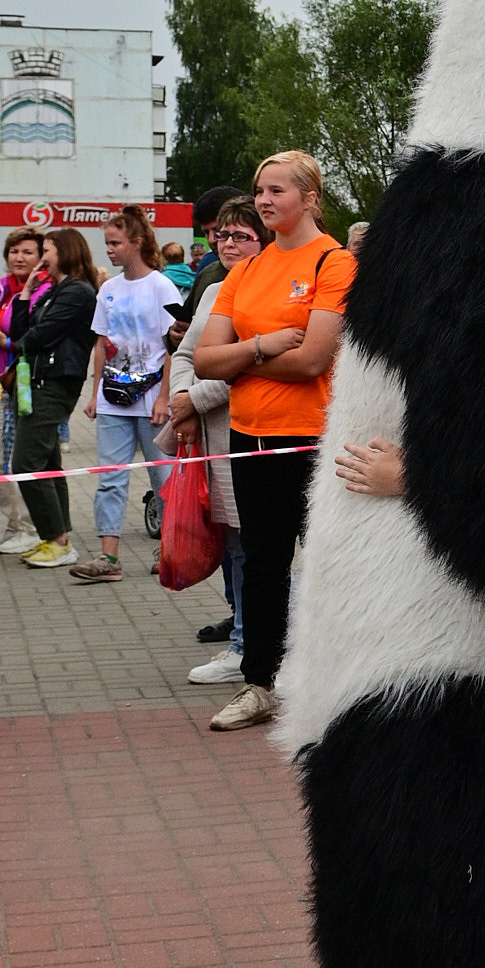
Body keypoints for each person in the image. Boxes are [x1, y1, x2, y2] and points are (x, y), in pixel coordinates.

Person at [192, 151, 356, 729]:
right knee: (263, 563)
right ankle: (259, 683)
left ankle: (343, 678)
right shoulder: (244, 271)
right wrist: (261, 349)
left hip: (312, 440)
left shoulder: (333, 263)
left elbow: (313, 359)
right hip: (249, 436)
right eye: (260, 191)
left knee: (327, 561)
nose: (264, 201)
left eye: (277, 190)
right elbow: (204, 361)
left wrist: (237, 359)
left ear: (310, 198)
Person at [166, 197, 265, 687]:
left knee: (255, 547)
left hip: (248, 430)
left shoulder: (267, 291)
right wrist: (182, 395)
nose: (227, 244)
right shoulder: (214, 291)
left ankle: (253, 648)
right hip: (211, 434)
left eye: (240, 235)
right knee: (232, 544)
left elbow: (246, 367)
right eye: (221, 236)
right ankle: (246, 642)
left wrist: (192, 401)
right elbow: (187, 351)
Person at [70, 207, 183, 583]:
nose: (110, 250)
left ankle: (168, 549)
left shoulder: (160, 287)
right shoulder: (109, 289)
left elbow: (172, 346)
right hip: (114, 397)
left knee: (162, 476)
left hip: (152, 397)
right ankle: (108, 556)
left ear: (137, 241)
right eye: (106, 243)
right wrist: (94, 391)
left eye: (115, 242)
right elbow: (102, 342)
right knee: (110, 475)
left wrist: (165, 397)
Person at [11, 230, 99, 565]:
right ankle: (57, 537)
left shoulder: (77, 291)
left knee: (25, 464)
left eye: (46, 250)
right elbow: (24, 333)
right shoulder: (55, 290)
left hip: (55, 382)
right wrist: (26, 294)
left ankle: (57, 539)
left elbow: (37, 337)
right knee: (47, 462)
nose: (41, 258)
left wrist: (17, 343)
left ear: (64, 252)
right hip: (39, 380)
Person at [0, 226, 46, 543]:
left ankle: (29, 528)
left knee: (24, 459)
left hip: (24, 382)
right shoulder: (2, 285)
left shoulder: (45, 290)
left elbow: (32, 336)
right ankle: (14, 522)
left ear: (41, 257)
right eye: (14, 251)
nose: (19, 257)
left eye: (27, 251)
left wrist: (6, 342)